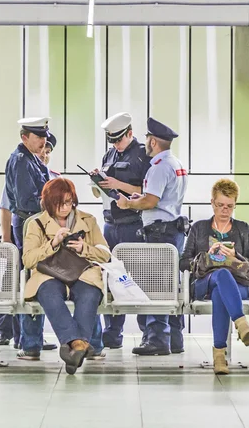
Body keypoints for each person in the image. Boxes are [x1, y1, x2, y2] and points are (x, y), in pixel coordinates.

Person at [23, 178, 111, 375]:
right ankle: (79, 344)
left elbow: (106, 253)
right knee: (49, 293)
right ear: (48, 202)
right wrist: (53, 244)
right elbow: (28, 259)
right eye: (59, 203)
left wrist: (84, 248)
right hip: (49, 273)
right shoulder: (36, 224)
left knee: (90, 293)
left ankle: (70, 346)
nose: (65, 208)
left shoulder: (88, 220)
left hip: (83, 272)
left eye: (69, 202)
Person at [117, 117, 188, 356]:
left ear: (154, 141)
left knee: (157, 286)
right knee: (171, 285)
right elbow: (162, 198)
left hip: (159, 232)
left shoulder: (158, 166)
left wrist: (129, 204)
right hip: (173, 229)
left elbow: (151, 201)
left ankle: (157, 339)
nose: (145, 142)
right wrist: (142, 199)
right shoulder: (175, 163)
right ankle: (175, 338)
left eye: (148, 139)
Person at [179, 178, 249, 375]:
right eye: (220, 205)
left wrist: (235, 257)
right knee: (221, 275)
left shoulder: (243, 229)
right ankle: (240, 322)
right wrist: (207, 256)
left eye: (229, 206)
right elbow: (183, 262)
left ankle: (219, 356)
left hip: (238, 283)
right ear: (212, 203)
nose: (225, 210)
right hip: (204, 282)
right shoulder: (199, 228)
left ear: (235, 205)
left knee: (220, 292)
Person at [0, 133, 59, 351]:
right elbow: (7, 209)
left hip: (40, 237)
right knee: (14, 283)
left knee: (31, 282)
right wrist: (7, 240)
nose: (44, 154)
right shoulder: (21, 169)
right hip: (19, 237)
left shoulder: (49, 176)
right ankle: (7, 332)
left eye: (48, 152)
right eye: (42, 149)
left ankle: (29, 337)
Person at [91, 112, 151, 349]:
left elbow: (147, 191)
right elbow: (103, 191)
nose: (116, 145)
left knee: (139, 278)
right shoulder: (110, 154)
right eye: (112, 141)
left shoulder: (143, 155)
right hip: (110, 224)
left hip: (133, 224)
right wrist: (98, 184)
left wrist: (118, 185)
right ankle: (112, 333)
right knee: (111, 277)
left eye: (119, 140)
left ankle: (148, 334)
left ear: (129, 134)